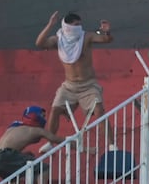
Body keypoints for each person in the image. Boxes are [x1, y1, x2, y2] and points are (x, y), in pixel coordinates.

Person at [34, 11, 114, 151]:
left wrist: (106, 32)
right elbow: (39, 43)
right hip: (69, 86)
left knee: (99, 110)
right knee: (55, 109)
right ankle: (50, 142)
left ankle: (112, 144)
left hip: (88, 85)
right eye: (76, 25)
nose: (79, 27)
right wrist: (50, 24)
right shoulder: (58, 39)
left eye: (80, 24)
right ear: (68, 26)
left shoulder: (86, 37)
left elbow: (106, 40)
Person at [0, 105, 64, 184]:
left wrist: (22, 155)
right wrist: (78, 143)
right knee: (44, 168)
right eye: (42, 116)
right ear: (36, 117)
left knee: (15, 174)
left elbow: (10, 144)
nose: (44, 118)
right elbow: (56, 139)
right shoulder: (36, 130)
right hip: (5, 155)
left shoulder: (14, 126)